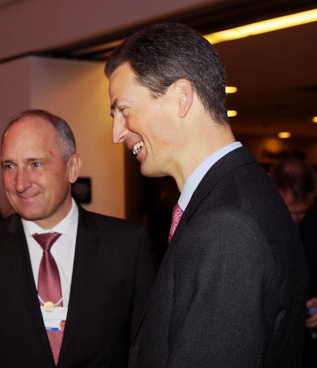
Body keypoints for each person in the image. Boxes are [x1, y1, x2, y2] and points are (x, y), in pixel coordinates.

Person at [105, 23, 307, 367]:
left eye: (123, 110)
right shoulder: (233, 195)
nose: (116, 133)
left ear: (181, 97)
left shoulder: (229, 225)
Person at [0, 109, 155, 367]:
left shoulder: (126, 246)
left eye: (35, 164)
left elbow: (150, 351)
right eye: (9, 166)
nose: (20, 183)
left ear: (72, 168)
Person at [269, 160, 317, 367]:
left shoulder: (314, 225)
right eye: (290, 211)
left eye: (302, 212)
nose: (296, 219)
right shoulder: (253, 227)